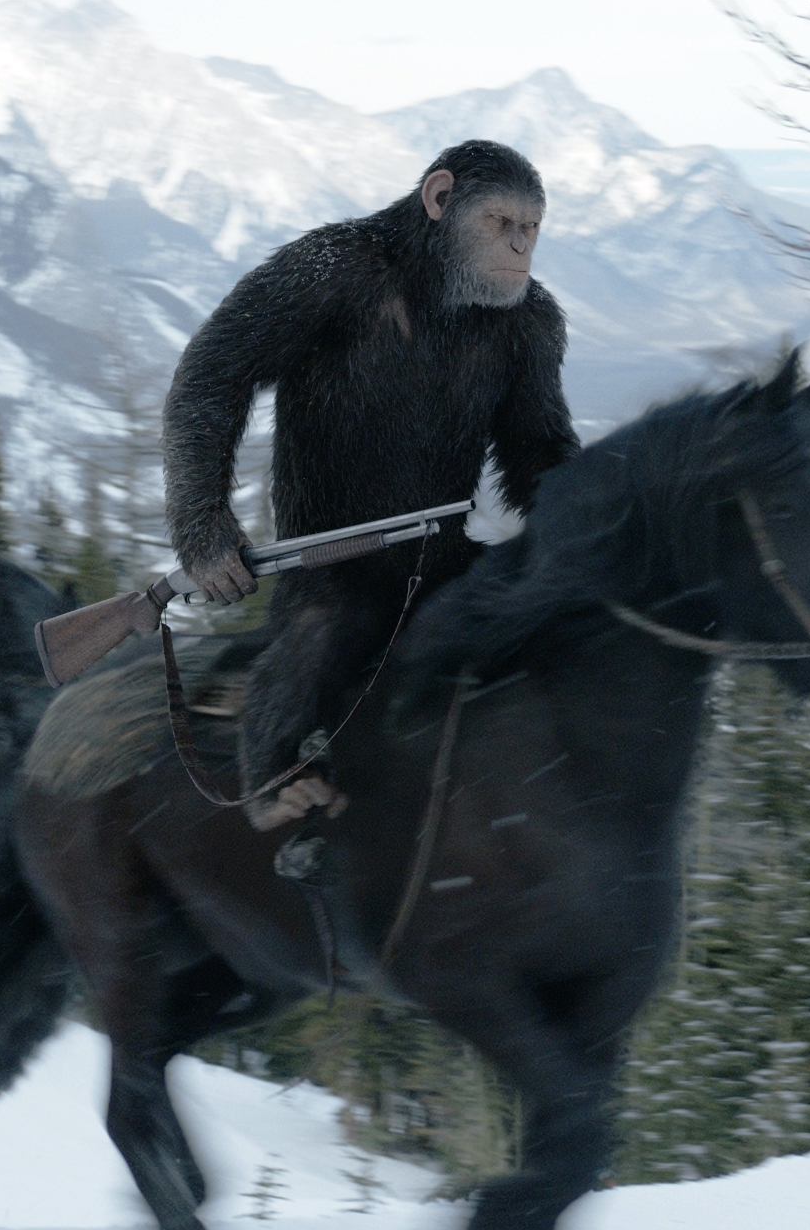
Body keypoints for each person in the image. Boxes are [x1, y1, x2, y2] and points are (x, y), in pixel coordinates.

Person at [163, 139, 578, 836]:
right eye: (500, 222)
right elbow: (210, 376)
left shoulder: (528, 319)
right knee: (318, 635)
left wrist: (592, 530)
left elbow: (538, 452)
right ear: (439, 199)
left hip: (444, 561)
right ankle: (271, 787)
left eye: (530, 228)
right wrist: (201, 523)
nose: (519, 246)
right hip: (329, 566)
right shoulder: (334, 267)